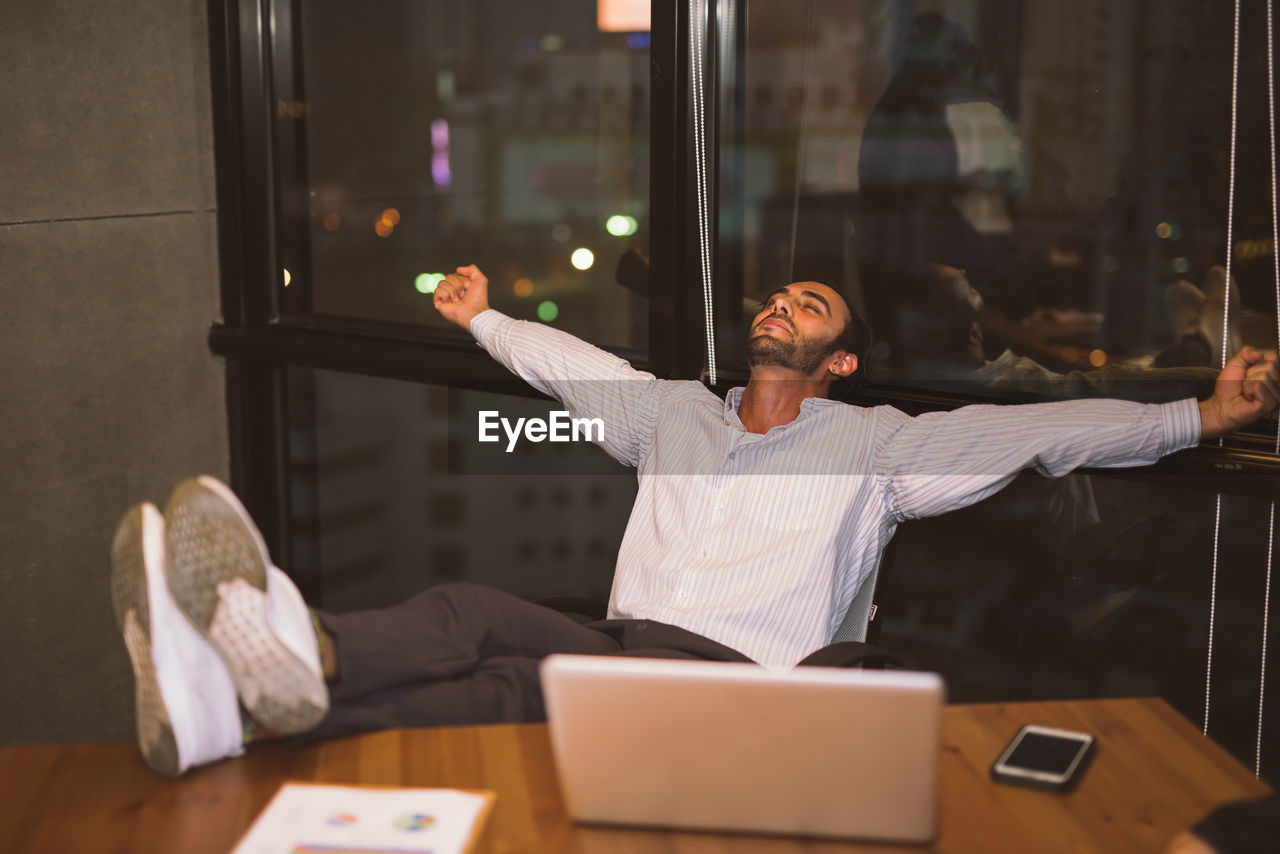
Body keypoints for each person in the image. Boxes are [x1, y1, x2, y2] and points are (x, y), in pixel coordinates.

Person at [112, 264, 1280, 776]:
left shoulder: (875, 445)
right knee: (479, 648)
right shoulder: (672, 414)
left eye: (807, 303)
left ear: (840, 356)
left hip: (745, 682)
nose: (781, 304)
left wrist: (1200, 413)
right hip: (626, 648)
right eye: (776, 295)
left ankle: (241, 665)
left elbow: (1043, 430)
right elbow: (573, 369)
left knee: (494, 654)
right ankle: (253, 690)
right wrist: (482, 322)